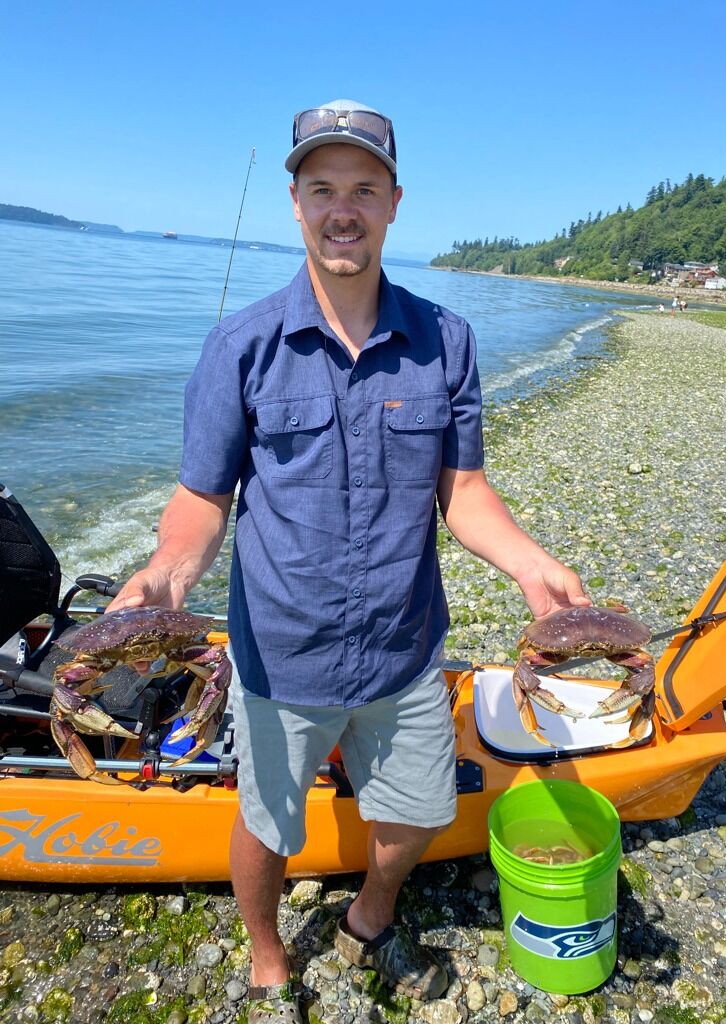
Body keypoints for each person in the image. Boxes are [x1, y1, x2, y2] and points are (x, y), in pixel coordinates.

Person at [109, 99, 590, 1023]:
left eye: (363, 189)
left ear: (395, 203)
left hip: (405, 647)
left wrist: (532, 566)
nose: (343, 209)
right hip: (277, 652)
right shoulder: (239, 345)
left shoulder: (446, 341)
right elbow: (203, 500)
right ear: (294, 202)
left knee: (413, 813)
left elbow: (466, 493)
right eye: (323, 187)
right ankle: (264, 954)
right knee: (263, 824)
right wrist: (168, 573)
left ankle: (371, 914)